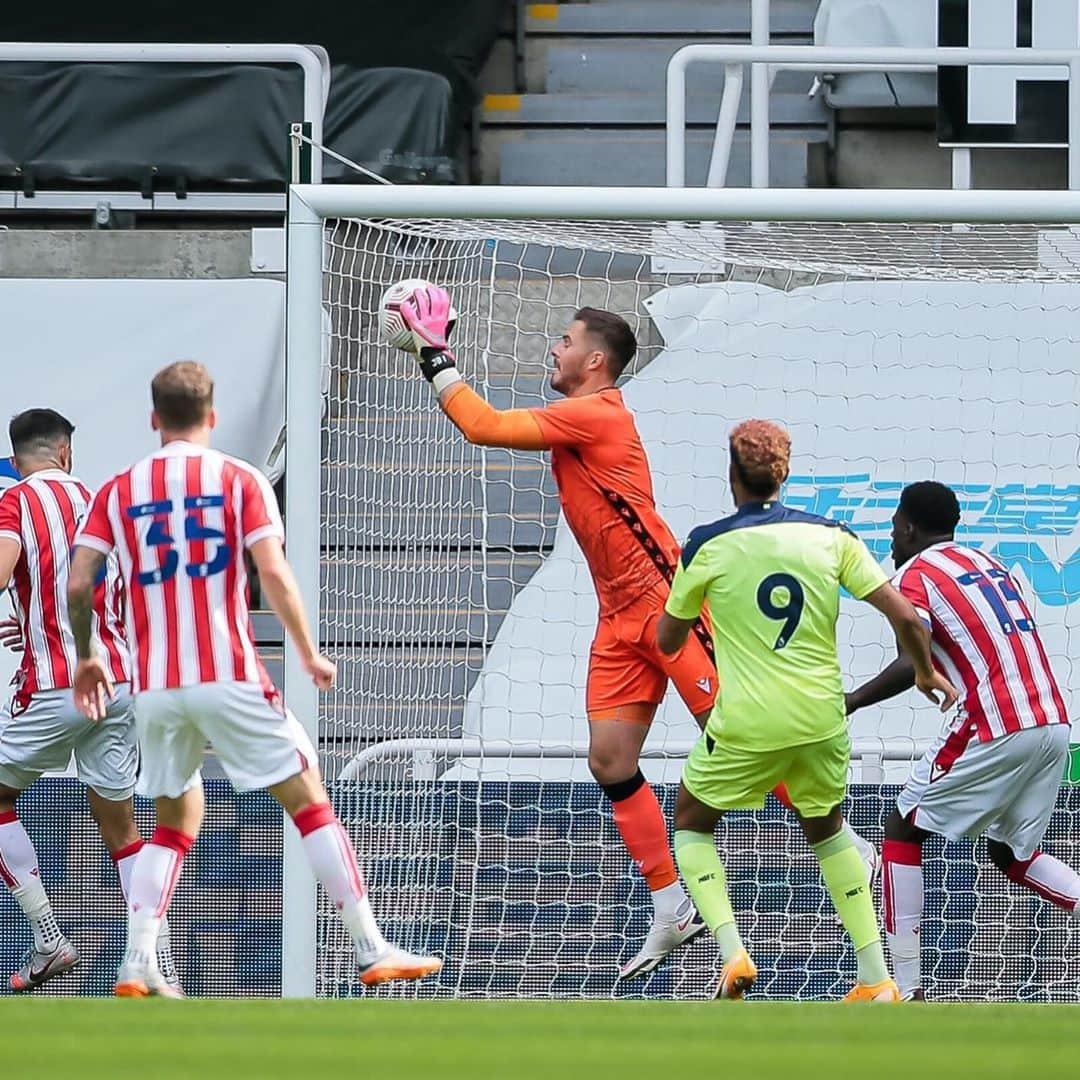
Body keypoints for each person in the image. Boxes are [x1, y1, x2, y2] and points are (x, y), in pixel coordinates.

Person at [397, 286, 876, 979]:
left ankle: (844, 838)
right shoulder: (578, 412)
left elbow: (483, 426)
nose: (553, 349)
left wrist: (434, 353)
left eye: (564, 340)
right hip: (618, 615)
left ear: (594, 360)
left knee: (742, 730)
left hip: (663, 602)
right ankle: (672, 903)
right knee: (610, 760)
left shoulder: (594, 412)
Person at [68, 361, 441, 996]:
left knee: (173, 822)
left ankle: (137, 961)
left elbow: (79, 583)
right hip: (229, 673)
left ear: (154, 419)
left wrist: (87, 654)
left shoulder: (119, 488)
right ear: (211, 416)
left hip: (154, 686)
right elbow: (273, 572)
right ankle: (370, 944)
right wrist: (306, 650)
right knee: (310, 803)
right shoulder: (239, 479)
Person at [657, 420, 957, 1001]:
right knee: (826, 830)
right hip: (823, 718)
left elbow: (669, 641)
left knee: (691, 819)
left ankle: (731, 950)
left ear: (731, 476)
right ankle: (876, 980)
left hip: (748, 719)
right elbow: (907, 616)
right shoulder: (833, 538)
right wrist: (923, 670)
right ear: (784, 475)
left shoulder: (708, 546)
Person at [846, 481, 1079, 1001]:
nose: (890, 538)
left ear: (908, 527)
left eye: (892, 528)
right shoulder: (988, 564)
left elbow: (914, 660)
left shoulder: (915, 575)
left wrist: (854, 699)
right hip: (1053, 722)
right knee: (1010, 852)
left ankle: (901, 991)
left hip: (994, 722)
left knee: (902, 830)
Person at [0, 408, 178, 992]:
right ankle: (154, 963)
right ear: (66, 454)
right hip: (120, 684)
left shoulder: (16, 504)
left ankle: (48, 936)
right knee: (122, 829)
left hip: (56, 684)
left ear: (18, 458)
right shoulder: (109, 502)